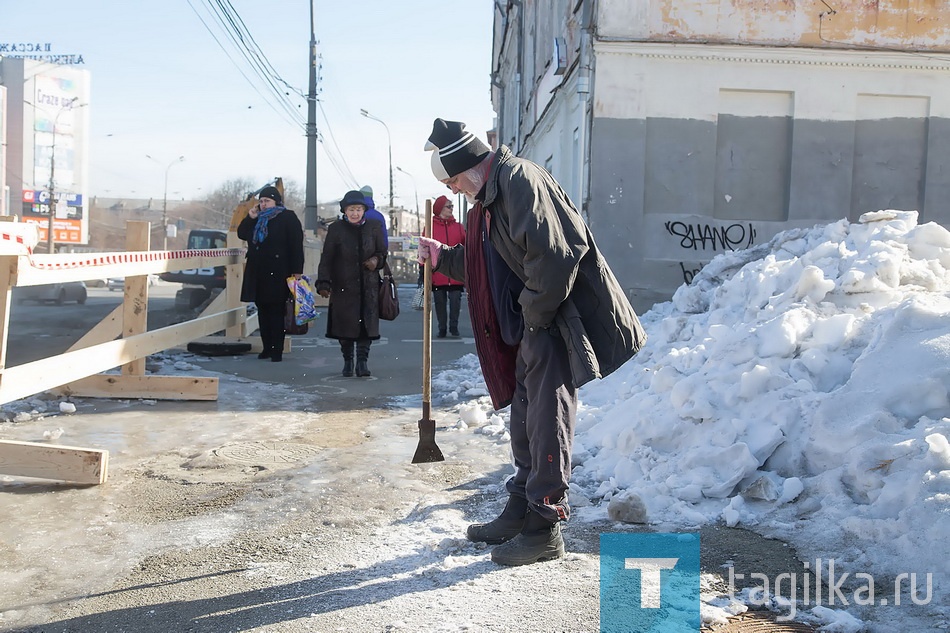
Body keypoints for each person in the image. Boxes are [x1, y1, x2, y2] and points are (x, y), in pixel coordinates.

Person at [418, 118, 647, 566]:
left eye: (453, 180)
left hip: (554, 322)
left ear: (467, 165)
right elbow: (487, 264)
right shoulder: (487, 197)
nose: (455, 189)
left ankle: (545, 528)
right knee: (525, 419)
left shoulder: (520, 180)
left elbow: (557, 254)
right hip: (529, 327)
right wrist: (443, 257)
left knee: (547, 419)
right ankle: (521, 508)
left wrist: (535, 317)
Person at [316, 190, 388, 377]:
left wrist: (375, 261)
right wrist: (323, 282)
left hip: (368, 285)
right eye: (351, 209)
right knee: (344, 327)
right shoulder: (336, 229)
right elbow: (327, 258)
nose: (355, 213)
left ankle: (362, 362)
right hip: (343, 285)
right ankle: (348, 361)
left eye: (358, 209)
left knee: (366, 327)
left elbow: (382, 253)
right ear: (344, 211)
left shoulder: (374, 226)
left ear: (364, 210)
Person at [237, 185, 305, 363]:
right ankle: (267, 347)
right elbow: (242, 234)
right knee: (263, 309)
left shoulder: (287, 218)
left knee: (276, 311)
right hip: (258, 270)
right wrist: (250, 217)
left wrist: (297, 271)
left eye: (267, 201)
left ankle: (277, 350)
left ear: (276, 201)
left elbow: (296, 245)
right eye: (261, 201)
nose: (263, 204)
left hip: (279, 271)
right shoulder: (257, 218)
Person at [425, 195, 466, 338]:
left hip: (455, 275)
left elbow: (466, 246)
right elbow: (424, 249)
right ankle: (442, 328)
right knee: (439, 303)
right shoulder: (430, 227)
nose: (452, 209)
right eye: (449, 206)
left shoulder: (458, 227)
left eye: (452, 206)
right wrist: (423, 270)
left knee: (456, 302)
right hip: (438, 274)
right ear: (440, 209)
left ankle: (454, 327)